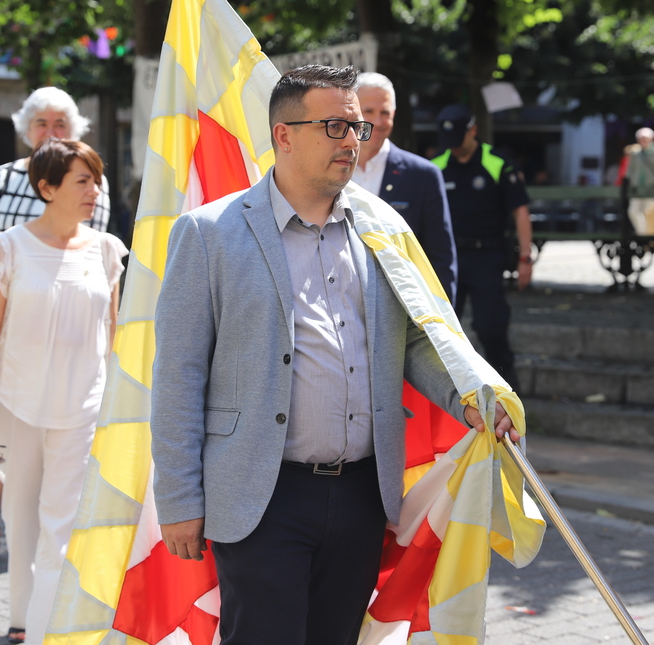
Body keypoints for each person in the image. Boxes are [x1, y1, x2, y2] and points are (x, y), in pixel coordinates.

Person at [150, 65, 517, 645]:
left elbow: (411, 338)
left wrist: (468, 398)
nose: (352, 141)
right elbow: (178, 373)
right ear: (284, 135)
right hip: (260, 494)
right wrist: (178, 499)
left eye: (357, 127)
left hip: (362, 494)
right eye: (335, 127)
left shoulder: (382, 229)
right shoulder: (208, 233)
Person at [0, 139, 127, 645]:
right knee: (20, 517)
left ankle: (45, 632)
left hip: (83, 409)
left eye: (96, 181)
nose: (95, 191)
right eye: (83, 181)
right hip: (17, 403)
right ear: (47, 188)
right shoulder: (8, 248)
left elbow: (115, 334)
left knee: (62, 525)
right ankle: (22, 617)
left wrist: (118, 410)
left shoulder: (107, 250)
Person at [0, 86, 113, 557]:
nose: (51, 132)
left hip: (69, 317)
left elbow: (97, 245)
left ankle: (39, 532)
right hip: (16, 309)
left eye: (60, 124)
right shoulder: (7, 176)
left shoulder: (88, 177)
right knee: (3, 416)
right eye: (42, 123)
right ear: (27, 129)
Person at [431, 104, 531, 390]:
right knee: (442, 331)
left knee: (491, 327)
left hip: (487, 256)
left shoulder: (497, 163)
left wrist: (525, 257)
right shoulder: (435, 167)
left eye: (458, 138)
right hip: (448, 258)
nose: (453, 146)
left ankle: (508, 391)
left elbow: (520, 211)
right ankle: (448, 395)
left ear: (473, 130)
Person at [352, 72, 457, 301]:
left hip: (402, 303)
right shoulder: (328, 168)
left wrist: (442, 314)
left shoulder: (423, 175)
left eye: (385, 113)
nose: (378, 122)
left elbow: (440, 256)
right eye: (368, 111)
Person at [626, 127, 654, 234]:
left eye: (645, 138)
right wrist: (631, 182)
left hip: (651, 188)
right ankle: (642, 233)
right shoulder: (635, 153)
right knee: (633, 211)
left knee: (648, 212)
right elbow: (630, 170)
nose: (642, 141)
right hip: (637, 188)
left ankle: (646, 234)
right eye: (640, 139)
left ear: (651, 139)